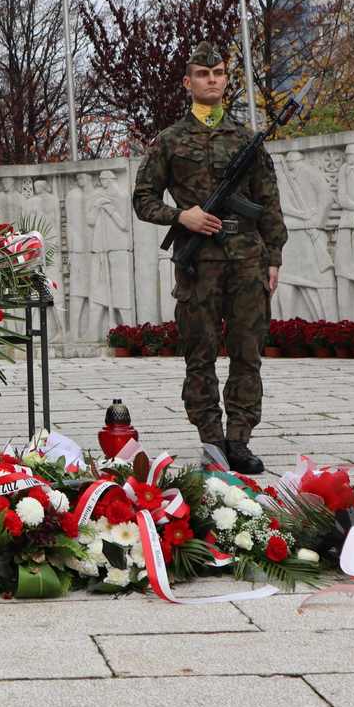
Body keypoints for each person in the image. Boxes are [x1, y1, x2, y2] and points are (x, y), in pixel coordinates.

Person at [132, 42, 287, 474]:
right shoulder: (170, 140)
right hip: (198, 264)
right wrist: (183, 216)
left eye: (218, 72)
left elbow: (268, 202)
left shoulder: (246, 140)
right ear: (188, 82)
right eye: (203, 73)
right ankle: (212, 439)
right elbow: (143, 199)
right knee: (199, 355)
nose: (212, 79)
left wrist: (273, 255)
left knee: (247, 353)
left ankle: (239, 439)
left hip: (247, 261)